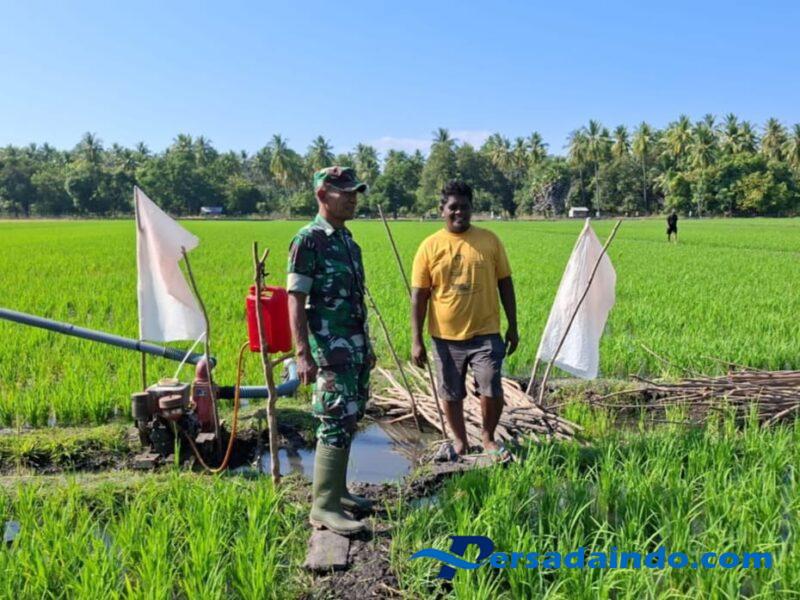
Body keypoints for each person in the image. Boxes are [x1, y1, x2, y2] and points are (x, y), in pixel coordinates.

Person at [287, 166, 374, 536]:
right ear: (322, 194)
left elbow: (355, 301)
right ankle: (323, 506)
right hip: (328, 350)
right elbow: (296, 299)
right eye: (345, 193)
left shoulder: (347, 241)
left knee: (350, 417)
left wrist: (366, 347)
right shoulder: (308, 240)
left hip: (353, 348)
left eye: (355, 192)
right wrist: (302, 353)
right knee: (334, 419)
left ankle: (338, 492)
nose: (353, 199)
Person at [410, 180, 519, 461]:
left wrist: (513, 326)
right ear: (442, 210)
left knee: (491, 386)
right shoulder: (430, 246)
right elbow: (419, 296)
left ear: (472, 209)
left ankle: (488, 437)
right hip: (445, 336)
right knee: (451, 392)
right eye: (453, 207)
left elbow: (505, 283)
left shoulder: (489, 240)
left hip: (486, 332)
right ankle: (460, 441)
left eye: (465, 207)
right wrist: (416, 340)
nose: (459, 212)